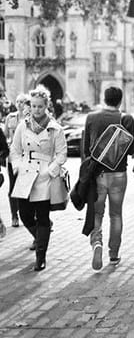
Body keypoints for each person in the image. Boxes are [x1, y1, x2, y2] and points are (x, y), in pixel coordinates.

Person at [9, 86, 67, 271]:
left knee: (42, 216)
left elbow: (62, 154)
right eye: (33, 106)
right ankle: (40, 236)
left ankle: (40, 256)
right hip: (25, 174)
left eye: (40, 106)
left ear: (46, 106)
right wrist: (17, 166)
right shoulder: (21, 126)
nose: (36, 110)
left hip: (44, 177)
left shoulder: (55, 129)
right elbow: (15, 151)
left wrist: (50, 171)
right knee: (25, 214)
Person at [83, 87, 134, 270]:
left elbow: (85, 150)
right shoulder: (126, 119)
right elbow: (132, 149)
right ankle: (113, 254)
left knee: (97, 213)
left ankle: (96, 243)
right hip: (118, 174)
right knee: (116, 214)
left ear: (104, 99)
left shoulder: (91, 118)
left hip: (97, 174)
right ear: (120, 101)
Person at [4, 94, 30, 229]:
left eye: (22, 102)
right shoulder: (10, 117)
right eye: (18, 101)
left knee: (26, 186)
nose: (20, 104)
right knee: (12, 186)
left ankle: (27, 214)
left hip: (26, 158)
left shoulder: (29, 118)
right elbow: (5, 137)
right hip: (13, 157)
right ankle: (14, 216)